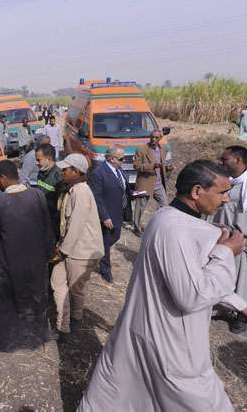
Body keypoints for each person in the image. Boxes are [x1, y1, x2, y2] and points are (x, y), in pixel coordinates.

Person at [77, 160, 247, 412]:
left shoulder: (170, 219)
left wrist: (241, 306)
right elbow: (193, 295)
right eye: (222, 192)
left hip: (151, 334)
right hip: (172, 346)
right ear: (197, 192)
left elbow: (195, 277)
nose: (227, 200)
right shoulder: (175, 229)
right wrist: (226, 252)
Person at [0, 160, 54, 352]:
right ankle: (35, 336)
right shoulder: (37, 196)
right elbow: (47, 229)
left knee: (6, 301)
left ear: (4, 179)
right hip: (37, 263)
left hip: (10, 265)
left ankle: (8, 340)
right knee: (35, 298)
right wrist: (48, 255)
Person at [209, 145, 247, 333]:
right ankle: (219, 307)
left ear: (239, 160)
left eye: (224, 159)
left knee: (243, 279)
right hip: (221, 241)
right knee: (218, 274)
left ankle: (239, 316)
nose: (221, 162)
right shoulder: (220, 182)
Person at [51, 154, 104, 339]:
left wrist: (62, 251)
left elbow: (76, 225)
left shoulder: (81, 191)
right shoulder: (71, 189)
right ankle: (63, 324)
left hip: (81, 250)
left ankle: (74, 322)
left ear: (76, 171)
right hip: (69, 247)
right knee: (57, 283)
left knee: (75, 289)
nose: (62, 172)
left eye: (65, 169)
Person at [88, 145, 132, 283]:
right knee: (106, 241)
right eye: (121, 158)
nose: (124, 161)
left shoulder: (118, 170)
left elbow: (122, 188)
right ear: (112, 159)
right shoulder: (98, 173)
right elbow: (96, 197)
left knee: (115, 236)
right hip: (107, 214)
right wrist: (104, 216)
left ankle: (98, 250)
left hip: (118, 212)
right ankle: (105, 270)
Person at [132, 129, 173, 234]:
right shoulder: (141, 149)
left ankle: (159, 226)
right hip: (144, 184)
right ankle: (136, 228)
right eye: (152, 137)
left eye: (156, 137)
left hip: (158, 184)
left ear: (160, 139)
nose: (153, 139)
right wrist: (152, 166)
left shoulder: (163, 149)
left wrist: (168, 168)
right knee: (140, 207)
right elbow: (136, 166)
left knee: (164, 206)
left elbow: (163, 165)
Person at [36, 143, 63, 239]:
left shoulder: (59, 176)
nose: (37, 163)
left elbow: (61, 205)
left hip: (53, 222)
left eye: (39, 160)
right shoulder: (41, 173)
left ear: (49, 159)